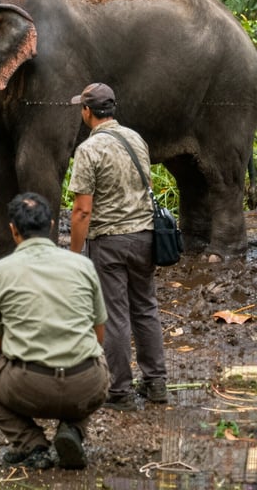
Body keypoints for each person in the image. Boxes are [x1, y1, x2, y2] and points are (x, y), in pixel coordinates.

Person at [0, 192, 109, 470]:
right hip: (86, 383)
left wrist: (26, 340)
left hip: (28, 387)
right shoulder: (83, 265)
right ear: (52, 224)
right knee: (99, 357)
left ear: (13, 231)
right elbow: (98, 337)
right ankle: (74, 428)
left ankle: (31, 443)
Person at [68, 82, 168, 411]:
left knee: (114, 316)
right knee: (145, 308)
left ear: (87, 111)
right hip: (145, 237)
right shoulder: (136, 139)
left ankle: (120, 391)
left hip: (109, 241)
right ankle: (155, 383)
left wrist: (75, 255)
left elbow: (83, 209)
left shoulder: (88, 150)